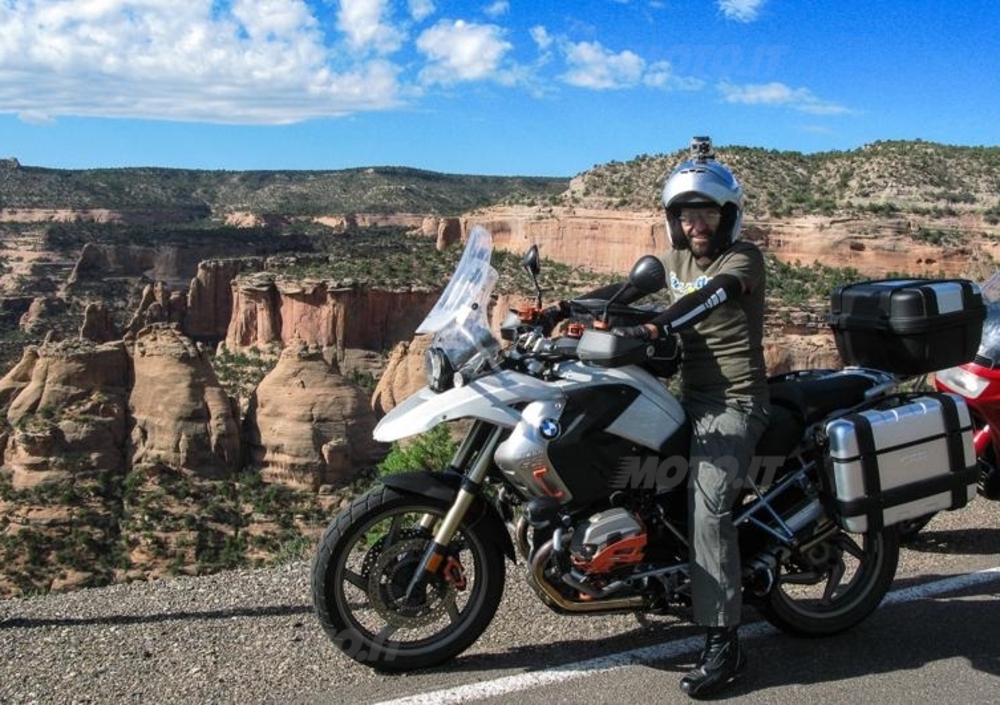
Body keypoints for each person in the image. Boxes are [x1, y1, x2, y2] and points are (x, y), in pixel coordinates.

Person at [540, 136, 770, 698]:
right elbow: (623, 293)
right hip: (685, 398)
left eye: (707, 213)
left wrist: (655, 326)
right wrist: (562, 310)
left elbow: (708, 298)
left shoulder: (743, 259)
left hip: (734, 402)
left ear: (728, 216)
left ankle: (724, 643)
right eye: (687, 215)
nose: (697, 224)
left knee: (709, 508)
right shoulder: (673, 261)